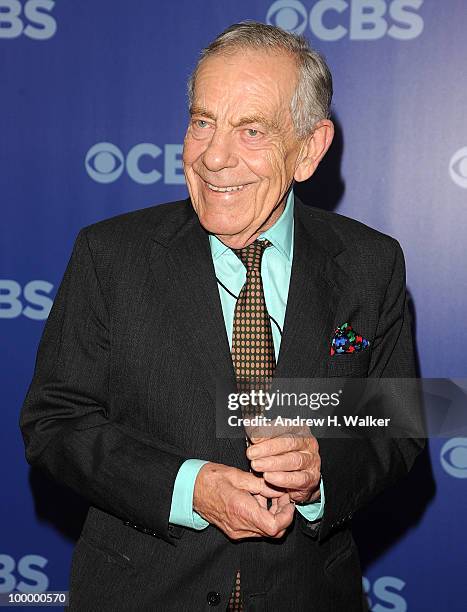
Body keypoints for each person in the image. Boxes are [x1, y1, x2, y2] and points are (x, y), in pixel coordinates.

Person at [20, 21, 424, 612]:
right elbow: (55, 422)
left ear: (309, 150)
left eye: (251, 130)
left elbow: (400, 421)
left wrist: (320, 473)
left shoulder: (371, 262)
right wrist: (190, 489)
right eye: (202, 121)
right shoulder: (110, 255)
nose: (213, 157)